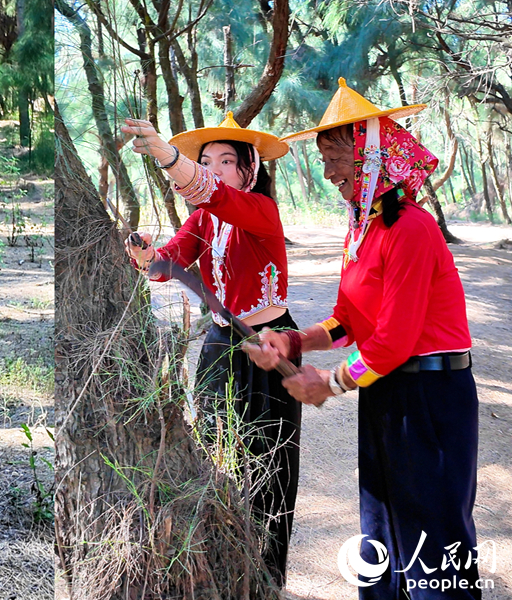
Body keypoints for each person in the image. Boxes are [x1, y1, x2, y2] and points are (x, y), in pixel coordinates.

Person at [245, 78, 481, 599]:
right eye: (325, 160)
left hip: (430, 399)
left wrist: (328, 383)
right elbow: (348, 319)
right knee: (382, 530)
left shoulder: (411, 230)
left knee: (433, 544)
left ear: (375, 153)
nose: (328, 173)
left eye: (336, 157)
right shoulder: (364, 230)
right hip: (388, 393)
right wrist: (295, 343)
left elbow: (395, 340)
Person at [121, 113, 299, 587]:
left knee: (268, 462)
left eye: (226, 161)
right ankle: (224, 569)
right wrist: (145, 256)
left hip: (269, 345)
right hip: (220, 344)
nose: (216, 170)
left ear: (249, 170)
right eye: (207, 161)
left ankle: (265, 579)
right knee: (217, 450)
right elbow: (169, 263)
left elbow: (214, 195)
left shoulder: (260, 211)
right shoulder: (204, 218)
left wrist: (168, 155)